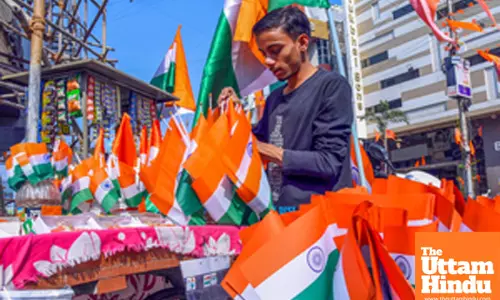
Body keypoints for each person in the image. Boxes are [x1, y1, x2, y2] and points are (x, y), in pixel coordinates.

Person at [218, 6, 353, 212]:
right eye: (264, 54)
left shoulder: (332, 86)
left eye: (275, 50)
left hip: (319, 219)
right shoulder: (274, 98)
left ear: (302, 43)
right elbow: (254, 143)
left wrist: (262, 149)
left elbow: (328, 162)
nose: (268, 61)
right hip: (276, 211)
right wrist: (234, 113)